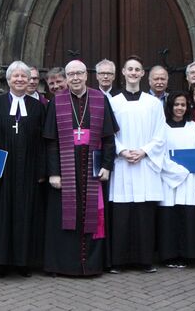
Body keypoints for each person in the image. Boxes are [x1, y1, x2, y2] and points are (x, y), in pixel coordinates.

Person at [43, 60, 118, 276]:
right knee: (65, 216)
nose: (75, 78)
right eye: (71, 74)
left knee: (93, 215)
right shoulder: (56, 102)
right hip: (66, 167)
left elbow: (109, 137)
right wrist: (54, 172)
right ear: (66, 78)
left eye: (79, 73)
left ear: (87, 75)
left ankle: (92, 265)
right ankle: (64, 265)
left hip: (92, 165)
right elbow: (50, 141)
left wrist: (107, 166)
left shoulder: (100, 99)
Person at [0, 61, 47, 278]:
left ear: (29, 80)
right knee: (2, 215)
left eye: (23, 76)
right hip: (2, 171)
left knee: (25, 214)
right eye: (15, 76)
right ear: (8, 80)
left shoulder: (38, 107)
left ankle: (23, 261)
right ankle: (1, 261)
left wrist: (42, 170)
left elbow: (44, 141)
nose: (19, 79)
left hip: (28, 170)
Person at [108, 56, 166, 273]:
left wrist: (144, 151)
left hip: (145, 164)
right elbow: (107, 132)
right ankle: (119, 261)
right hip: (122, 164)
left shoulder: (153, 103)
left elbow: (161, 134)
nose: (133, 72)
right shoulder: (113, 102)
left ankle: (144, 261)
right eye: (130, 69)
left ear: (143, 74)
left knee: (143, 215)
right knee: (121, 215)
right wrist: (122, 150)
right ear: (123, 72)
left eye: (137, 69)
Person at [157, 91, 195, 268]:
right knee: (168, 218)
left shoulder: (193, 127)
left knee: (186, 216)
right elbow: (159, 153)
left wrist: (186, 171)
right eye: (176, 104)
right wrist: (177, 171)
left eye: (183, 105)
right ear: (170, 106)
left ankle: (186, 255)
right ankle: (168, 255)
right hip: (167, 178)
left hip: (189, 179)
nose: (180, 108)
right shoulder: (162, 128)